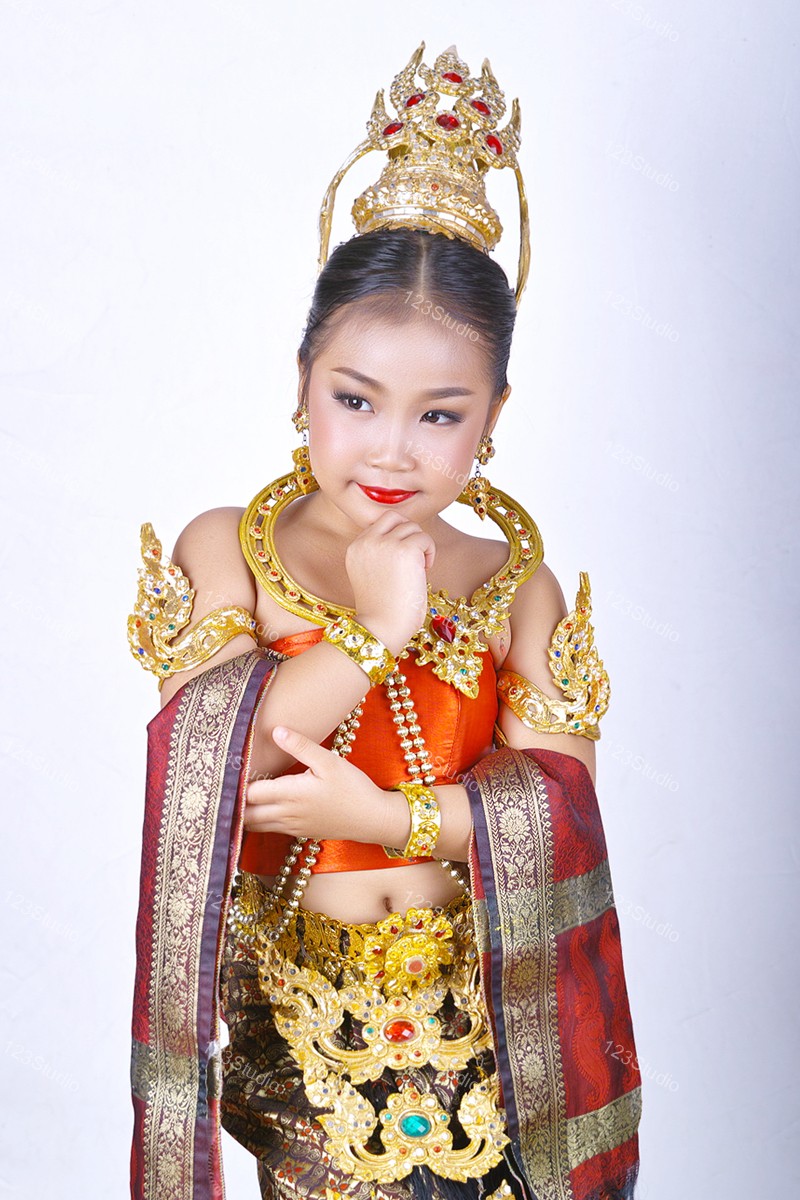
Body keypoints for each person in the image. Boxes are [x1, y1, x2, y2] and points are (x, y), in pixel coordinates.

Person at [127, 43, 641, 1200]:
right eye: (354, 400)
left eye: (439, 415)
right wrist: (371, 629)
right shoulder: (233, 550)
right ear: (301, 379)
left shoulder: (514, 586)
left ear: (492, 417)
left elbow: (560, 816)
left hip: (481, 1025)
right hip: (299, 1021)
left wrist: (380, 818)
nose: (392, 451)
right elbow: (221, 772)